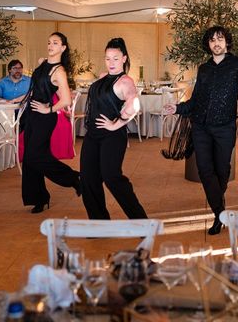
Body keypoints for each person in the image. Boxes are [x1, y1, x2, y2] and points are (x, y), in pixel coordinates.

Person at [164, 26, 238, 235]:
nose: (216, 43)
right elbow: (196, 100)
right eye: (212, 40)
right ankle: (219, 214)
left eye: (220, 39)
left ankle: (217, 206)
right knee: (205, 171)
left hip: (225, 127)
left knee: (222, 171)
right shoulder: (203, 68)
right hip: (201, 127)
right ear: (208, 44)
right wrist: (178, 108)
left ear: (227, 42)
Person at [80, 37, 147, 220]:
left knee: (112, 177)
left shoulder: (125, 81)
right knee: (88, 179)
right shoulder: (102, 77)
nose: (111, 62)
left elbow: (134, 105)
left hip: (112, 137)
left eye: (115, 58)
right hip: (92, 136)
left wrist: (116, 124)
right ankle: (99, 222)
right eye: (108, 58)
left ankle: (141, 221)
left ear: (124, 58)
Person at [21, 32, 80, 214]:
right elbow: (36, 88)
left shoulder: (59, 72)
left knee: (35, 156)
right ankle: (39, 198)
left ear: (63, 48)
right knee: (30, 159)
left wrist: (49, 109)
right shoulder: (42, 63)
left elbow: (66, 100)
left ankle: (75, 179)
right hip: (32, 115)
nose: (50, 45)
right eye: (49, 42)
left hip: (44, 118)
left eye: (55, 43)